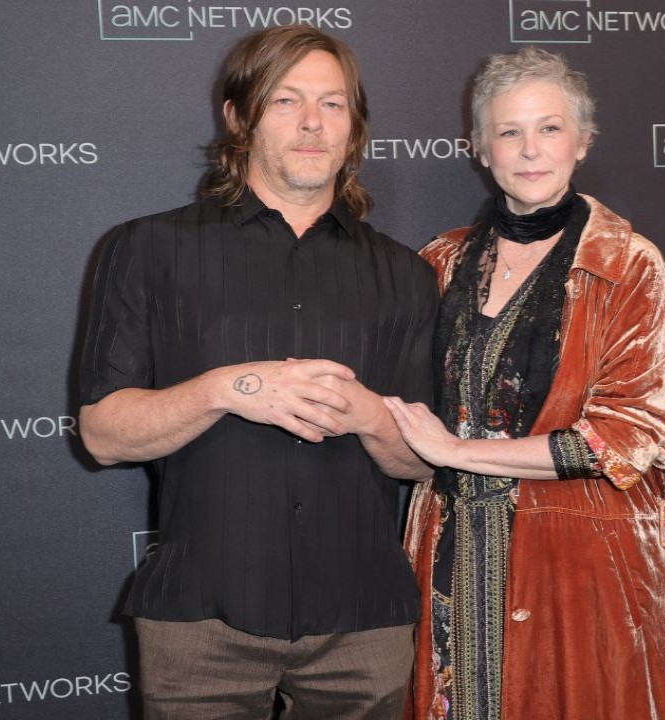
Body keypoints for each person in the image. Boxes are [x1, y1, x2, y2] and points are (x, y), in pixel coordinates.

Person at [76, 25, 437, 720]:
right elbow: (103, 436)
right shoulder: (148, 250)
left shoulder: (408, 276)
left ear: (355, 127)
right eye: (285, 101)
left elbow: (418, 465)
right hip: (200, 622)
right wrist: (230, 388)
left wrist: (368, 414)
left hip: (365, 623)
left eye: (333, 105)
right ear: (238, 116)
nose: (311, 123)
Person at [383, 47, 665, 719]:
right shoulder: (438, 262)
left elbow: (630, 434)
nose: (530, 150)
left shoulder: (626, 265)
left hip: (582, 567)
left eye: (550, 128)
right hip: (450, 559)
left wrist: (457, 452)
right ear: (480, 148)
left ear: (582, 141)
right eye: (509, 131)